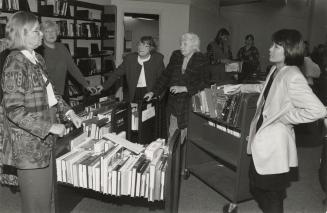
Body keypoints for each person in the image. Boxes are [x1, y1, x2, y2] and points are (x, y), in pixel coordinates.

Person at [226, 29, 326, 213]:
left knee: (272, 194)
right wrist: (240, 87)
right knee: (256, 186)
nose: (270, 49)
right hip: (263, 139)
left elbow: (318, 110)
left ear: (288, 50)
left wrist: (286, 117)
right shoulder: (275, 69)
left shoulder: (293, 75)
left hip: (275, 143)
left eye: (276, 46)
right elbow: (264, 88)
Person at [0, 11, 83, 213]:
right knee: (36, 204)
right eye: (36, 31)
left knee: (48, 198)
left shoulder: (37, 58)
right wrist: (50, 126)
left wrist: (69, 112)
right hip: (28, 147)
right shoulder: (15, 62)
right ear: (22, 33)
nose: (42, 35)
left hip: (44, 142)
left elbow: (51, 93)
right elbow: (14, 110)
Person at [144, 32, 208, 144]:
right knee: (172, 137)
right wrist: (153, 92)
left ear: (194, 46)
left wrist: (185, 88)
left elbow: (205, 83)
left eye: (185, 44)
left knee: (187, 138)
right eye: (181, 44)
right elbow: (165, 76)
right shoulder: (176, 55)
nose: (181, 47)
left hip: (190, 105)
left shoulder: (201, 59)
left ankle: (183, 160)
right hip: (174, 104)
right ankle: (171, 159)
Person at [97, 36, 165, 102]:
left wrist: (156, 93)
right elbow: (116, 73)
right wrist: (104, 86)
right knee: (135, 112)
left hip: (150, 92)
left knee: (148, 112)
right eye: (140, 45)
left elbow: (162, 80)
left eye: (146, 46)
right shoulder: (130, 59)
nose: (141, 48)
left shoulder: (157, 60)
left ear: (151, 48)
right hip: (134, 91)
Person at [35, 20, 95, 96]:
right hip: (45, 94)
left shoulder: (62, 47)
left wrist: (86, 85)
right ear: (42, 34)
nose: (51, 34)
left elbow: (73, 68)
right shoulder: (38, 51)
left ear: (57, 32)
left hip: (62, 92)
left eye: (53, 31)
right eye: (47, 31)